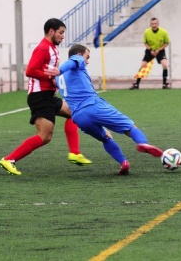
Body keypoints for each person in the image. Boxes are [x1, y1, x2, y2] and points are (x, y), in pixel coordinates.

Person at [47, 44, 164, 175]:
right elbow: (74, 61)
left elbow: (55, 84)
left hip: (78, 117)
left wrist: (57, 73)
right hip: (94, 106)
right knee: (129, 127)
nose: (87, 61)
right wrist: (60, 69)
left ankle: (123, 162)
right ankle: (143, 143)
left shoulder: (59, 77)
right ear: (79, 55)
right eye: (87, 57)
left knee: (105, 138)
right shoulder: (76, 60)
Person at [0, 18, 92, 176]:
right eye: (61, 33)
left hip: (48, 95)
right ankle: (9, 159)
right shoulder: (43, 48)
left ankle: (74, 153)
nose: (63, 37)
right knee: (45, 137)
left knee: (73, 113)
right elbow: (30, 71)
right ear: (51, 31)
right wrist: (50, 78)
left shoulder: (52, 48)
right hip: (39, 96)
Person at [130, 17, 170, 89]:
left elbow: (166, 43)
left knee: (165, 64)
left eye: (155, 23)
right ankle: (136, 84)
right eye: (152, 24)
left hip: (160, 50)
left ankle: (165, 84)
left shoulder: (163, 32)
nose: (154, 25)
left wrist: (159, 49)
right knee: (143, 65)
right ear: (150, 25)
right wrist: (151, 49)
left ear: (158, 24)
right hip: (150, 50)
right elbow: (145, 43)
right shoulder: (147, 32)